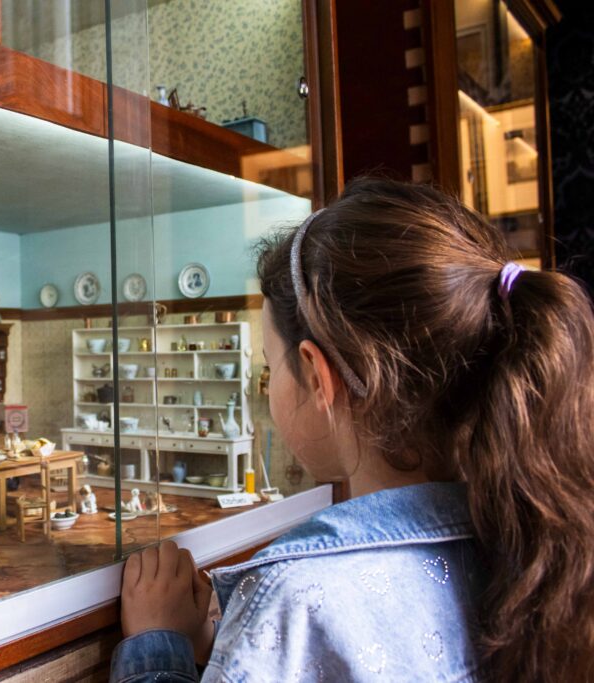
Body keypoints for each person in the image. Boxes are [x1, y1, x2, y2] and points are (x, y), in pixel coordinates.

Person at [110, 178, 594, 682]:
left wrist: (157, 649)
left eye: (270, 366)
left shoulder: (295, 604)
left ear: (317, 374)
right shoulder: (531, 543)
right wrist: (233, 642)